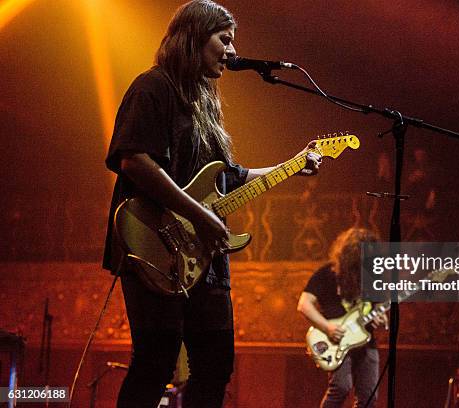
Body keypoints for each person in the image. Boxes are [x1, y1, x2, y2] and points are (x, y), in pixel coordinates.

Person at [102, 1, 321, 407]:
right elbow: (132, 157)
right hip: (154, 244)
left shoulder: (207, 101)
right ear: (193, 37)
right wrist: (198, 214)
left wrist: (290, 167)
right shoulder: (152, 87)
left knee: (216, 365)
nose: (233, 51)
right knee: (156, 362)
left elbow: (226, 175)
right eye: (224, 39)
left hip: (204, 254)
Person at [297, 228, 388, 408]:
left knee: (369, 397)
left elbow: (377, 308)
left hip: (365, 341)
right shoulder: (327, 274)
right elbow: (304, 304)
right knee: (341, 387)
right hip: (336, 341)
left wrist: (381, 318)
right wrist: (327, 327)